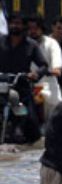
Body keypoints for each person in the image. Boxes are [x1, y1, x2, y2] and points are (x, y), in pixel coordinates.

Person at [0, 11, 49, 143]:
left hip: (21, 86)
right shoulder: (1, 41)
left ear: (24, 27)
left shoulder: (31, 45)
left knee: (31, 125)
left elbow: (44, 65)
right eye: (12, 23)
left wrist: (35, 74)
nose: (14, 26)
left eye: (18, 24)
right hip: (2, 84)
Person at [27, 14, 62, 121]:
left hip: (47, 84)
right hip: (27, 84)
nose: (32, 31)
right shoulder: (24, 44)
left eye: (36, 28)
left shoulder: (51, 43)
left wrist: (53, 70)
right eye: (30, 29)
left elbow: (57, 66)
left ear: (42, 28)